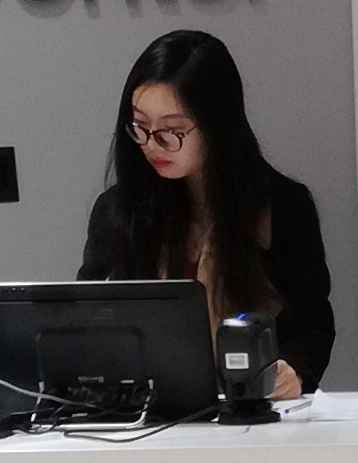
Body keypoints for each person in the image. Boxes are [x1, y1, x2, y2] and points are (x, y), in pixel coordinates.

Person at [77, 29, 333, 400]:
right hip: (144, 411)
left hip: (251, 408)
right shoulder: (117, 210)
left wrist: (295, 370)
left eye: (172, 131)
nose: (152, 145)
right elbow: (86, 318)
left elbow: (312, 322)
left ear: (216, 126)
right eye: (140, 127)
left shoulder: (282, 207)